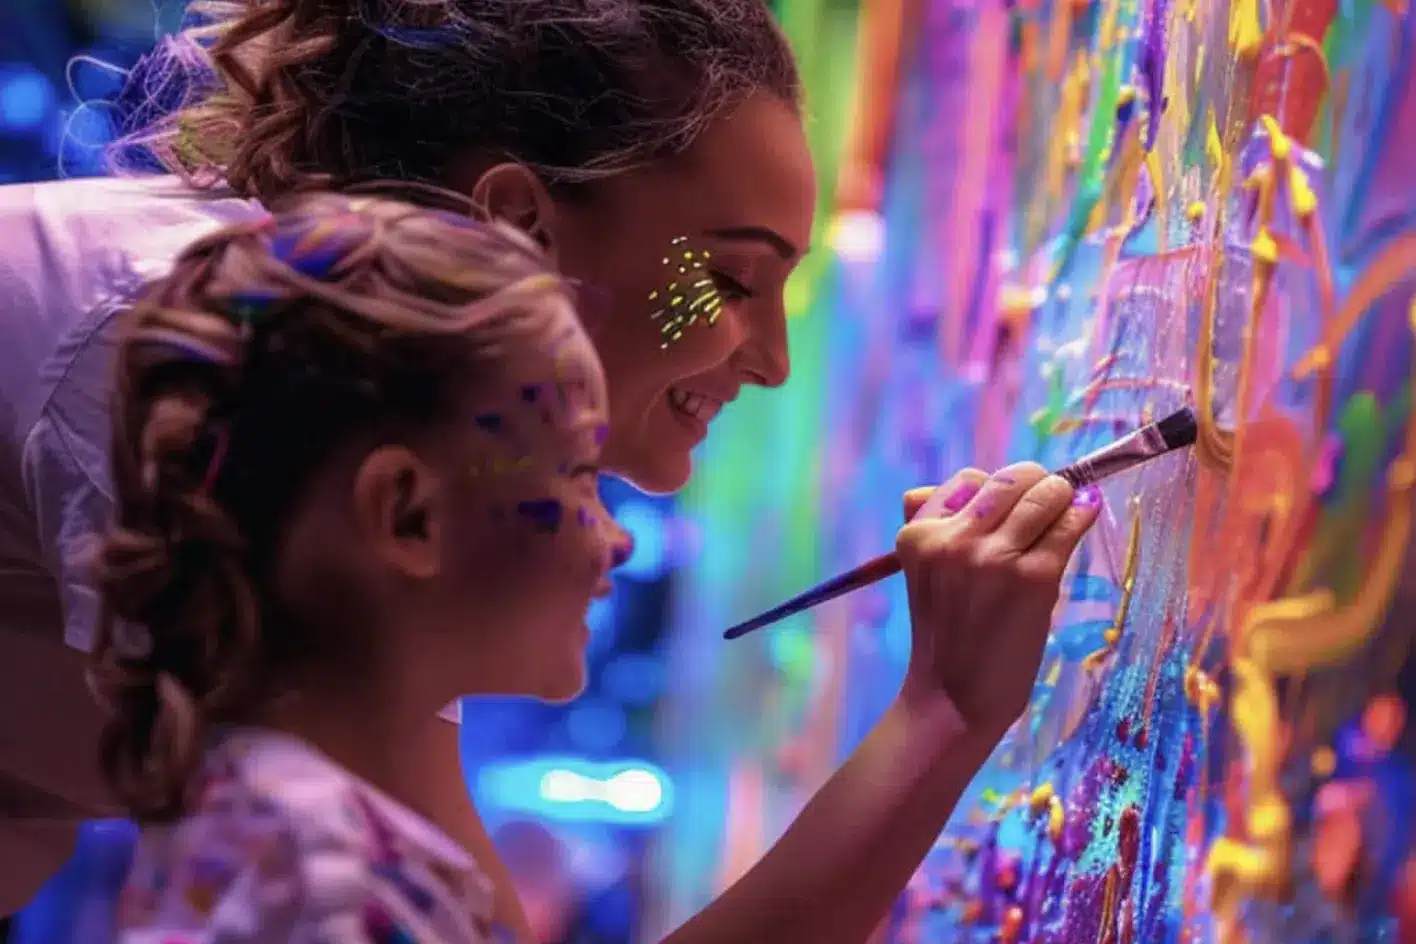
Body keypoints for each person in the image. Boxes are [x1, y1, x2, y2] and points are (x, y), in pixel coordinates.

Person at [0, 1, 1101, 938]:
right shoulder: (205, 355)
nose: (769, 361)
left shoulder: (333, 413)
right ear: (517, 226)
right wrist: (946, 707)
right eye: (725, 281)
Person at [91, 192, 634, 941]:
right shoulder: (320, 874)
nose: (618, 537)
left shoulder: (270, 825)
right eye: (578, 471)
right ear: (409, 515)